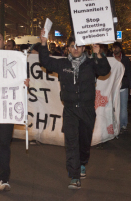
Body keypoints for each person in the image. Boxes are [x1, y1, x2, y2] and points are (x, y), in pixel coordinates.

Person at [39, 30, 111, 189]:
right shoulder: (62, 64)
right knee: (71, 142)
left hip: (86, 110)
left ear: (84, 48)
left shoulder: (92, 64)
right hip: (70, 110)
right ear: (68, 48)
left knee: (84, 142)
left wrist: (99, 54)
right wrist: (43, 43)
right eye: (72, 46)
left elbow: (105, 70)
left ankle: (83, 162)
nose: (75, 49)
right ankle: (74, 175)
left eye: (78, 46)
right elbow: (45, 61)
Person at [0, 33, 28, 192]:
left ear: (4, 43)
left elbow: (22, 77)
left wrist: (25, 82)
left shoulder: (14, 59)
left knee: (3, 143)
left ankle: (3, 178)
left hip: (6, 109)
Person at [113, 42, 131, 133]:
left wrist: (129, 85)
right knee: (114, 106)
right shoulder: (110, 58)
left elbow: (128, 72)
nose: (115, 49)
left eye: (116, 48)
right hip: (113, 85)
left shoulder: (125, 59)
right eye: (114, 48)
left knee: (123, 106)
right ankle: (115, 123)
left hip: (123, 85)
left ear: (120, 49)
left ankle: (123, 124)